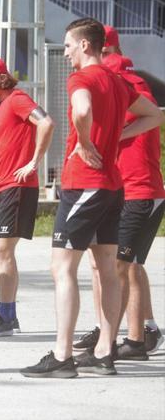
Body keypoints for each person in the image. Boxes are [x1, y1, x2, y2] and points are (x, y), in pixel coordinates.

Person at [21, 18, 165, 378]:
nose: (66, 52)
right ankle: (104, 354)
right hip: (114, 186)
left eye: (68, 46)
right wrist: (116, 136)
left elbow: (81, 110)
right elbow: (154, 115)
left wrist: (86, 142)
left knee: (63, 269)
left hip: (85, 183)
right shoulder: (119, 82)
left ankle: (62, 355)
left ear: (85, 45)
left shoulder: (83, 78)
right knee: (107, 270)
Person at [73, 26, 164, 358]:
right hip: (131, 188)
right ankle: (135, 335)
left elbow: (147, 118)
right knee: (125, 265)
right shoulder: (124, 83)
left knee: (116, 267)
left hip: (138, 188)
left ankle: (113, 342)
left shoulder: (121, 85)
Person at [0, 57, 55, 337]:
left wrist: (34, 162)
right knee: (0, 252)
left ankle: (6, 317)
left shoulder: (18, 99)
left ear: (1, 78)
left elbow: (47, 123)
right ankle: (7, 315)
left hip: (18, 187)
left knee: (2, 251)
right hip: (1, 187)